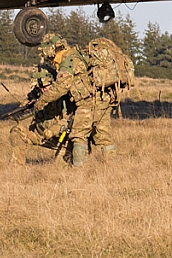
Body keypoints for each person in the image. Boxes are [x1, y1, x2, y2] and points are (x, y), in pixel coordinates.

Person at [32, 33, 116, 166]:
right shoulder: (77, 55)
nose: (50, 61)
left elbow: (61, 87)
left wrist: (42, 101)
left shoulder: (67, 62)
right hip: (102, 98)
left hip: (87, 102)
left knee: (78, 135)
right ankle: (112, 167)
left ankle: (78, 171)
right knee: (103, 135)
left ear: (51, 51)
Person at [8, 62, 72, 165]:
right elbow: (24, 105)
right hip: (39, 134)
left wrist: (52, 131)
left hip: (61, 139)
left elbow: (68, 121)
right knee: (17, 132)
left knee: (60, 168)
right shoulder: (37, 93)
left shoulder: (64, 97)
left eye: (47, 86)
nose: (44, 89)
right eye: (41, 87)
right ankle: (17, 166)